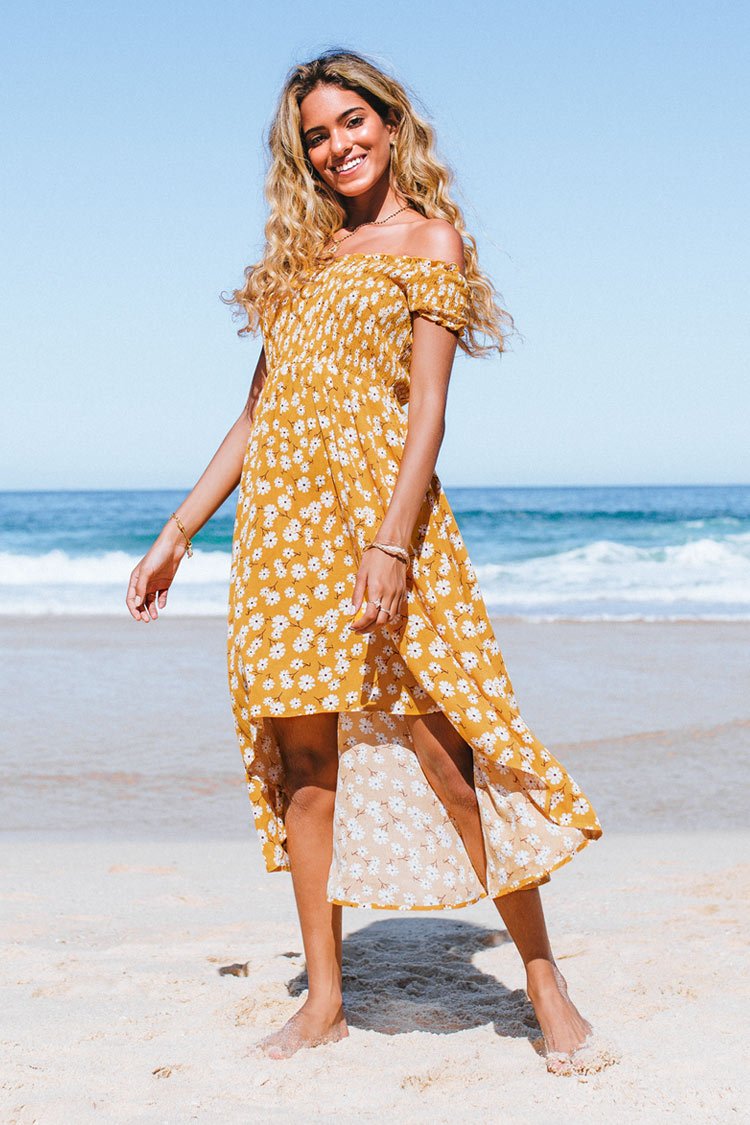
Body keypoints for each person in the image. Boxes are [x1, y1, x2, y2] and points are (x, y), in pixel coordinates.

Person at [126, 49, 608, 1077]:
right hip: (283, 536)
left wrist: (391, 542)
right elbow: (259, 415)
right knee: (306, 764)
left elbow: (427, 411)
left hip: (382, 518)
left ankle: (542, 977)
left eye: (352, 122)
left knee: (448, 746)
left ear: (390, 123)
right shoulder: (301, 261)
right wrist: (179, 531)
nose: (337, 145)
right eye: (317, 135)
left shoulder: (431, 240)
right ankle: (326, 1000)